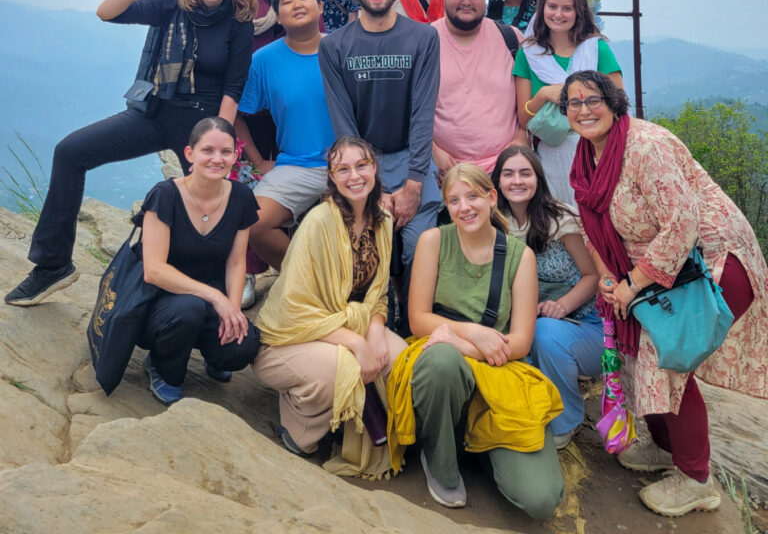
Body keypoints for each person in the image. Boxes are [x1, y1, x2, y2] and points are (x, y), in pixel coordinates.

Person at [562, 69, 768, 518]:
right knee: (639, 356)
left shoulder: (646, 147)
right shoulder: (585, 159)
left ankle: (696, 480)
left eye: (592, 99)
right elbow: (593, 229)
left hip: (708, 260)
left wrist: (633, 284)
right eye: (573, 104)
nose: (583, 110)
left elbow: (683, 225)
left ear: (614, 101)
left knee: (665, 359)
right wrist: (609, 278)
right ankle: (663, 448)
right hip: (649, 266)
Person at [6, 0, 256, 308]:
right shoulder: (171, 2)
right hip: (153, 112)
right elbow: (107, 12)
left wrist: (221, 144)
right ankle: (52, 265)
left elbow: (233, 87)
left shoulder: (237, 20)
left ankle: (207, 301)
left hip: (202, 123)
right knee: (70, 152)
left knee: (207, 207)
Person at [388, 163, 564, 517]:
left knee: (541, 499)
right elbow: (419, 319)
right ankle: (440, 460)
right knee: (442, 361)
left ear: (491, 197)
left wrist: (472, 346)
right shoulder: (434, 240)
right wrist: (474, 334)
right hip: (440, 363)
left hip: (497, 371)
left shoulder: (520, 256)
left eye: (472, 196)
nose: (464, 207)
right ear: (447, 207)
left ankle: (477, 446)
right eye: (454, 201)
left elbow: (521, 342)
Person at [252, 137, 407, 475]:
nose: (354, 176)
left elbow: (377, 293)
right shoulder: (319, 222)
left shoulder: (382, 219)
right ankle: (299, 426)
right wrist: (355, 343)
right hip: (289, 337)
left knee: (398, 360)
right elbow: (295, 308)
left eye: (362, 165)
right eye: (343, 169)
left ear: (375, 168)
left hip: (352, 321)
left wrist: (377, 330)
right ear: (332, 177)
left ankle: (350, 424)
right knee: (343, 368)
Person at [318, 0, 441, 295]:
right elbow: (343, 122)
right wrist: (370, 186)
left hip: (412, 157)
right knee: (367, 252)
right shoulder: (335, 46)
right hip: (361, 163)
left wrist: (414, 183)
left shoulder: (423, 38)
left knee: (421, 248)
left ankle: (413, 323)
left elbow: (422, 112)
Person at [133, 117, 261, 404]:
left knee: (244, 345)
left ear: (235, 155)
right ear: (190, 154)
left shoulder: (241, 197)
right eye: (208, 151)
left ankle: (214, 352)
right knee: (188, 310)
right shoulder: (164, 195)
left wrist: (234, 309)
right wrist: (216, 297)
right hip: (162, 299)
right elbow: (154, 271)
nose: (217, 159)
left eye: (226, 152)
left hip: (208, 298)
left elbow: (236, 262)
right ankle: (162, 367)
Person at [492, 145, 603, 450]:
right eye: (508, 173)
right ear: (497, 181)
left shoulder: (558, 218)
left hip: (585, 326)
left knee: (543, 333)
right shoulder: (494, 223)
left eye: (525, 173)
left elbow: (592, 275)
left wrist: (562, 305)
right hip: (522, 319)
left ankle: (565, 420)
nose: (517, 181)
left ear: (538, 179)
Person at [235, 0, 335, 269]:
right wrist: (257, 162)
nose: (297, 5)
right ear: (278, 17)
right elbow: (237, 114)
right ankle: (307, 280)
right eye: (287, 2)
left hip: (347, 166)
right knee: (253, 222)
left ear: (320, 6)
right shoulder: (264, 60)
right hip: (295, 165)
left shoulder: (342, 49)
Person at [513, 0, 623, 206]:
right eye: (552, 7)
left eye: (567, 9)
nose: (558, 15)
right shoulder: (528, 53)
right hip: (551, 156)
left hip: (597, 154)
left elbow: (619, 107)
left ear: (578, 11)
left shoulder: (596, 49)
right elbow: (524, 121)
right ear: (542, 8)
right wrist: (543, 95)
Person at [432, 0, 526, 182]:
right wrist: (432, 151)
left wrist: (522, 139)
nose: (466, 1)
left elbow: (529, 97)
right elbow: (410, 106)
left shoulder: (510, 38)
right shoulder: (424, 40)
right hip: (444, 172)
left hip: (505, 170)